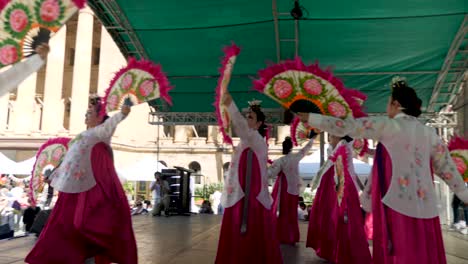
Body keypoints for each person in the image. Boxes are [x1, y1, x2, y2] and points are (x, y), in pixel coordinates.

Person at [298, 77, 468, 263]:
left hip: (396, 205)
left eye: (389, 103)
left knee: (399, 255)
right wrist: (465, 194)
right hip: (425, 208)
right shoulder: (429, 134)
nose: (387, 107)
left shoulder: (389, 126)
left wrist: (311, 118)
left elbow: (348, 126)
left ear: (396, 104)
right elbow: (448, 170)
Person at [25, 97, 137, 264]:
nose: (86, 114)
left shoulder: (100, 133)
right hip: (74, 190)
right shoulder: (81, 136)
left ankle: (91, 254)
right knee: (66, 225)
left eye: (90, 112)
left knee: (83, 223)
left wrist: (123, 112)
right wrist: (54, 176)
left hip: (92, 187)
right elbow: (69, 161)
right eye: (86, 112)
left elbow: (111, 124)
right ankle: (78, 256)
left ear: (99, 117)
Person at [215, 92, 282, 264]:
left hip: (248, 195)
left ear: (259, 123)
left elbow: (240, 126)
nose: (247, 120)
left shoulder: (255, 138)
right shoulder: (249, 139)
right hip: (241, 190)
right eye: (247, 116)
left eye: (250, 117)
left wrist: (231, 104)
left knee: (247, 231)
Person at [306, 134, 371, 264]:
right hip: (343, 187)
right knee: (341, 221)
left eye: (332, 135)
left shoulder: (342, 147)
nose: (330, 138)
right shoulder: (341, 147)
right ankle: (339, 252)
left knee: (343, 221)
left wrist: (340, 194)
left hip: (343, 188)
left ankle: (344, 253)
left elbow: (338, 172)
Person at [268, 136, 314, 245]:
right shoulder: (296, 157)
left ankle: (283, 236)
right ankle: (292, 237)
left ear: (283, 148)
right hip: (294, 189)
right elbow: (305, 149)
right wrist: (311, 139)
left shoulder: (281, 161)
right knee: (292, 214)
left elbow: (271, 173)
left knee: (283, 213)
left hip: (285, 189)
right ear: (291, 147)